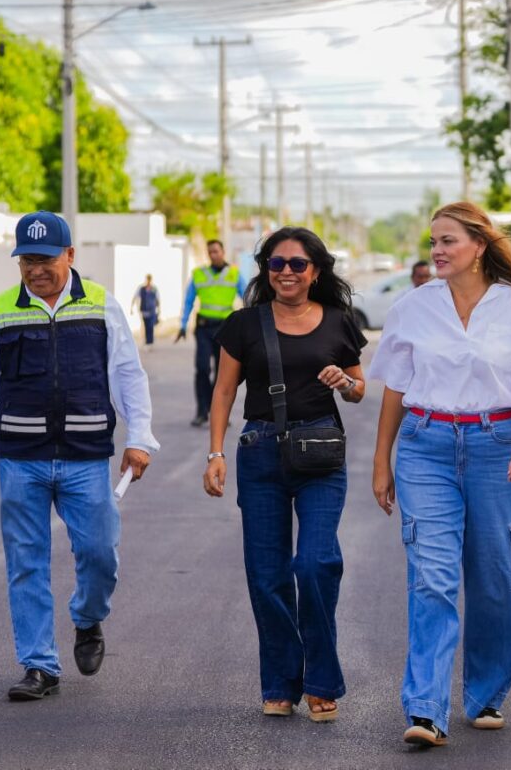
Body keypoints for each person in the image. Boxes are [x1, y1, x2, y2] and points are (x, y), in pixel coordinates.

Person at [370, 201, 511, 748]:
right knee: (432, 577)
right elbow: (393, 384)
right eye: (432, 241)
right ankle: (427, 709)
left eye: (448, 241)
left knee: (495, 581)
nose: (436, 251)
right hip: (426, 447)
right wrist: (381, 460)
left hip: (498, 447)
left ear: (479, 246)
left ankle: (486, 694)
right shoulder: (414, 307)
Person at [0, 211, 158, 701]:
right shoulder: (1, 309)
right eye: (27, 259)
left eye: (45, 259)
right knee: (26, 561)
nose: (35, 269)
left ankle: (88, 619)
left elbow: (128, 374)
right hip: (19, 457)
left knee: (99, 552)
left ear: (70, 255)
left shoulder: (101, 306)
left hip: (85, 456)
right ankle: (39, 665)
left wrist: (140, 436)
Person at [202, 227, 367, 723]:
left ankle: (320, 679)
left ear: (316, 271)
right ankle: (280, 683)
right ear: (265, 271)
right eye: (277, 264)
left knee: (316, 565)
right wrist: (215, 453)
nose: (287, 272)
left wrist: (346, 383)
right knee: (267, 575)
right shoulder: (244, 324)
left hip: (320, 455)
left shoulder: (339, 322)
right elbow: (224, 393)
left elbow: (360, 389)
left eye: (297, 264)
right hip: (260, 455)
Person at [177, 239, 247, 427]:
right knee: (202, 369)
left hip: (226, 329)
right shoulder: (199, 274)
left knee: (221, 373)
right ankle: (202, 411)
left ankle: (219, 412)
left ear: (223, 252)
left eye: (216, 251)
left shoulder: (234, 274)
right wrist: (183, 324)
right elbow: (189, 300)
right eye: (210, 252)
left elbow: (248, 298)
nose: (213, 254)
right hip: (204, 328)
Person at [129, 274, 161, 348]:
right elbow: (135, 296)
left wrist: (159, 310)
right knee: (146, 326)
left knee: (151, 326)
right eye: (147, 279)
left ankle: (150, 342)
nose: (148, 281)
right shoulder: (141, 289)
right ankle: (147, 341)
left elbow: (158, 300)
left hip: (152, 311)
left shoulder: (154, 289)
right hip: (144, 311)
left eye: (149, 279)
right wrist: (131, 308)